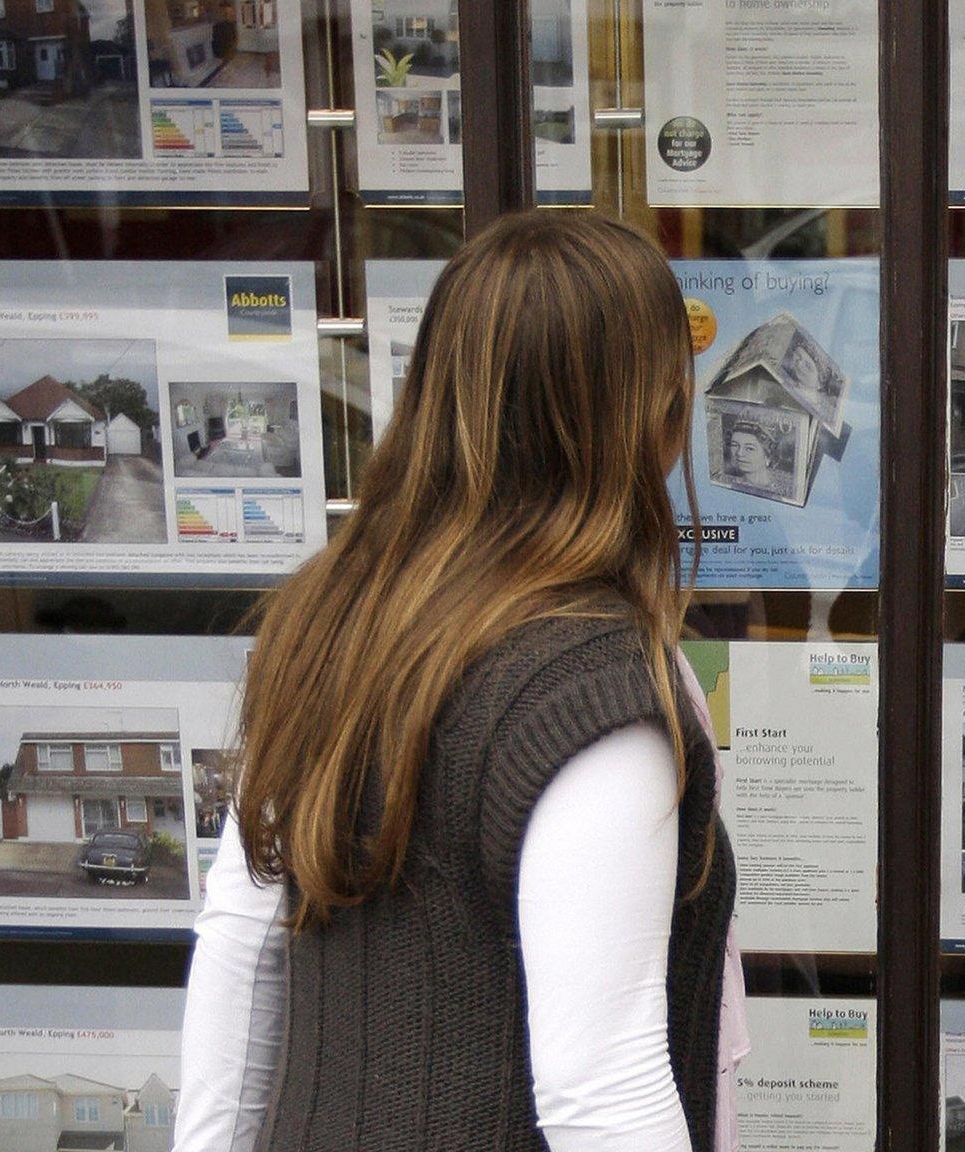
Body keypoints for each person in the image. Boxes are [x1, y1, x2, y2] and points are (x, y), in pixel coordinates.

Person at [174, 212, 746, 1152]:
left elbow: (243, 951)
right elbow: (599, 1089)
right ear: (653, 415)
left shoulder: (330, 619)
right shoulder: (591, 693)